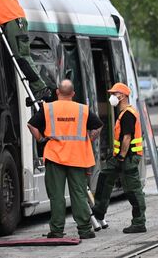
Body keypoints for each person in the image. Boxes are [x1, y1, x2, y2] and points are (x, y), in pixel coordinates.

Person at [27, 79, 103, 239]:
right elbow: (98, 125)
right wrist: (90, 138)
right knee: (79, 194)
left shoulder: (48, 109)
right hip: (77, 158)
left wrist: (41, 139)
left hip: (55, 158)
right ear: (73, 94)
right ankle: (84, 230)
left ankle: (57, 230)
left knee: (56, 195)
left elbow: (32, 125)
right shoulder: (83, 109)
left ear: (57, 93)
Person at [92, 83, 147, 233]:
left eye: (114, 94)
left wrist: (121, 156)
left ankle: (139, 222)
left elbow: (127, 138)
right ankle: (99, 210)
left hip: (128, 158)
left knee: (133, 190)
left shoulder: (128, 114)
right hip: (121, 156)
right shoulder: (123, 113)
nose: (111, 97)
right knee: (105, 176)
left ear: (122, 96)